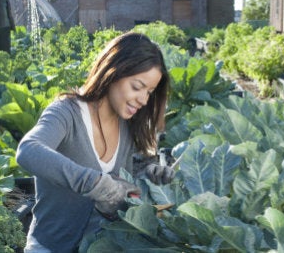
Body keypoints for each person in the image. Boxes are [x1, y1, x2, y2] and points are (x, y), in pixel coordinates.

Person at [16, 32, 176, 252]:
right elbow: (28, 150)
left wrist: (149, 174)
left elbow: (123, 186)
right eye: (137, 87)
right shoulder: (67, 112)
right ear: (113, 72)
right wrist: (93, 183)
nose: (143, 99)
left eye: (149, 92)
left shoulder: (129, 125)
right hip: (50, 247)